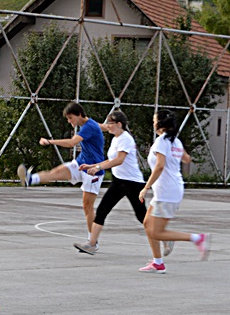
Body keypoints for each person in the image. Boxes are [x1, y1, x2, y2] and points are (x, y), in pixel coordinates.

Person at [73, 110, 171, 256]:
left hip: (133, 184)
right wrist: (91, 166)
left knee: (141, 216)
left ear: (119, 124)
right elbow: (110, 160)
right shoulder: (116, 139)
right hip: (119, 182)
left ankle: (166, 239)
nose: (108, 126)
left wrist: (98, 168)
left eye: (110, 123)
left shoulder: (126, 139)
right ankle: (91, 244)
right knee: (102, 210)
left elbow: (119, 160)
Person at [18, 102, 107, 247]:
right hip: (81, 164)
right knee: (57, 172)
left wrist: (49, 141)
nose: (69, 121)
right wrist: (108, 127)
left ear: (79, 115)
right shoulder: (89, 124)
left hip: (93, 170)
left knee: (87, 206)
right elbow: (103, 127)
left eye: (70, 118)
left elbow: (72, 143)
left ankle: (93, 241)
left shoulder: (89, 127)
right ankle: (30, 179)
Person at [137, 109, 210, 274]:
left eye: (154, 120)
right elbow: (187, 159)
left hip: (167, 191)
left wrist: (146, 187)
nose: (153, 122)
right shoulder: (175, 142)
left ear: (160, 123)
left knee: (156, 231)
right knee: (148, 224)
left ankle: (197, 238)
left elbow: (160, 166)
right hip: (170, 189)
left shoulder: (162, 142)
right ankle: (157, 263)